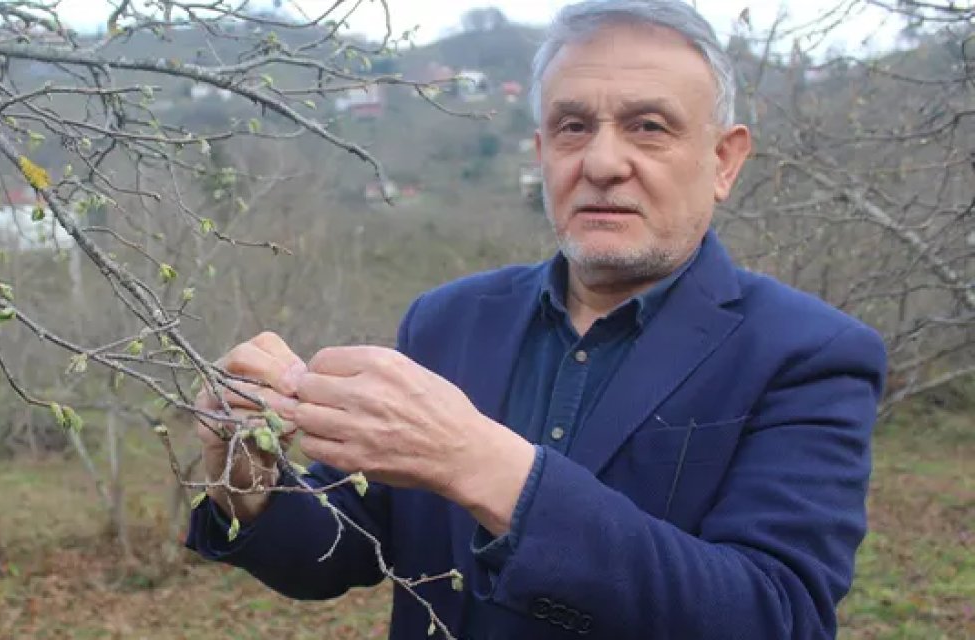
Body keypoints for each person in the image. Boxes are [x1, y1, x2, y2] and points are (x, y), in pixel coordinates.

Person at [184, 1, 888, 638]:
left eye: (649, 127)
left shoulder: (810, 354)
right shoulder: (447, 320)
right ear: (544, 153)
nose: (604, 161)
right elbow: (347, 550)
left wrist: (482, 465)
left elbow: (775, 616)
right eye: (573, 126)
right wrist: (251, 486)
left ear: (724, 161)